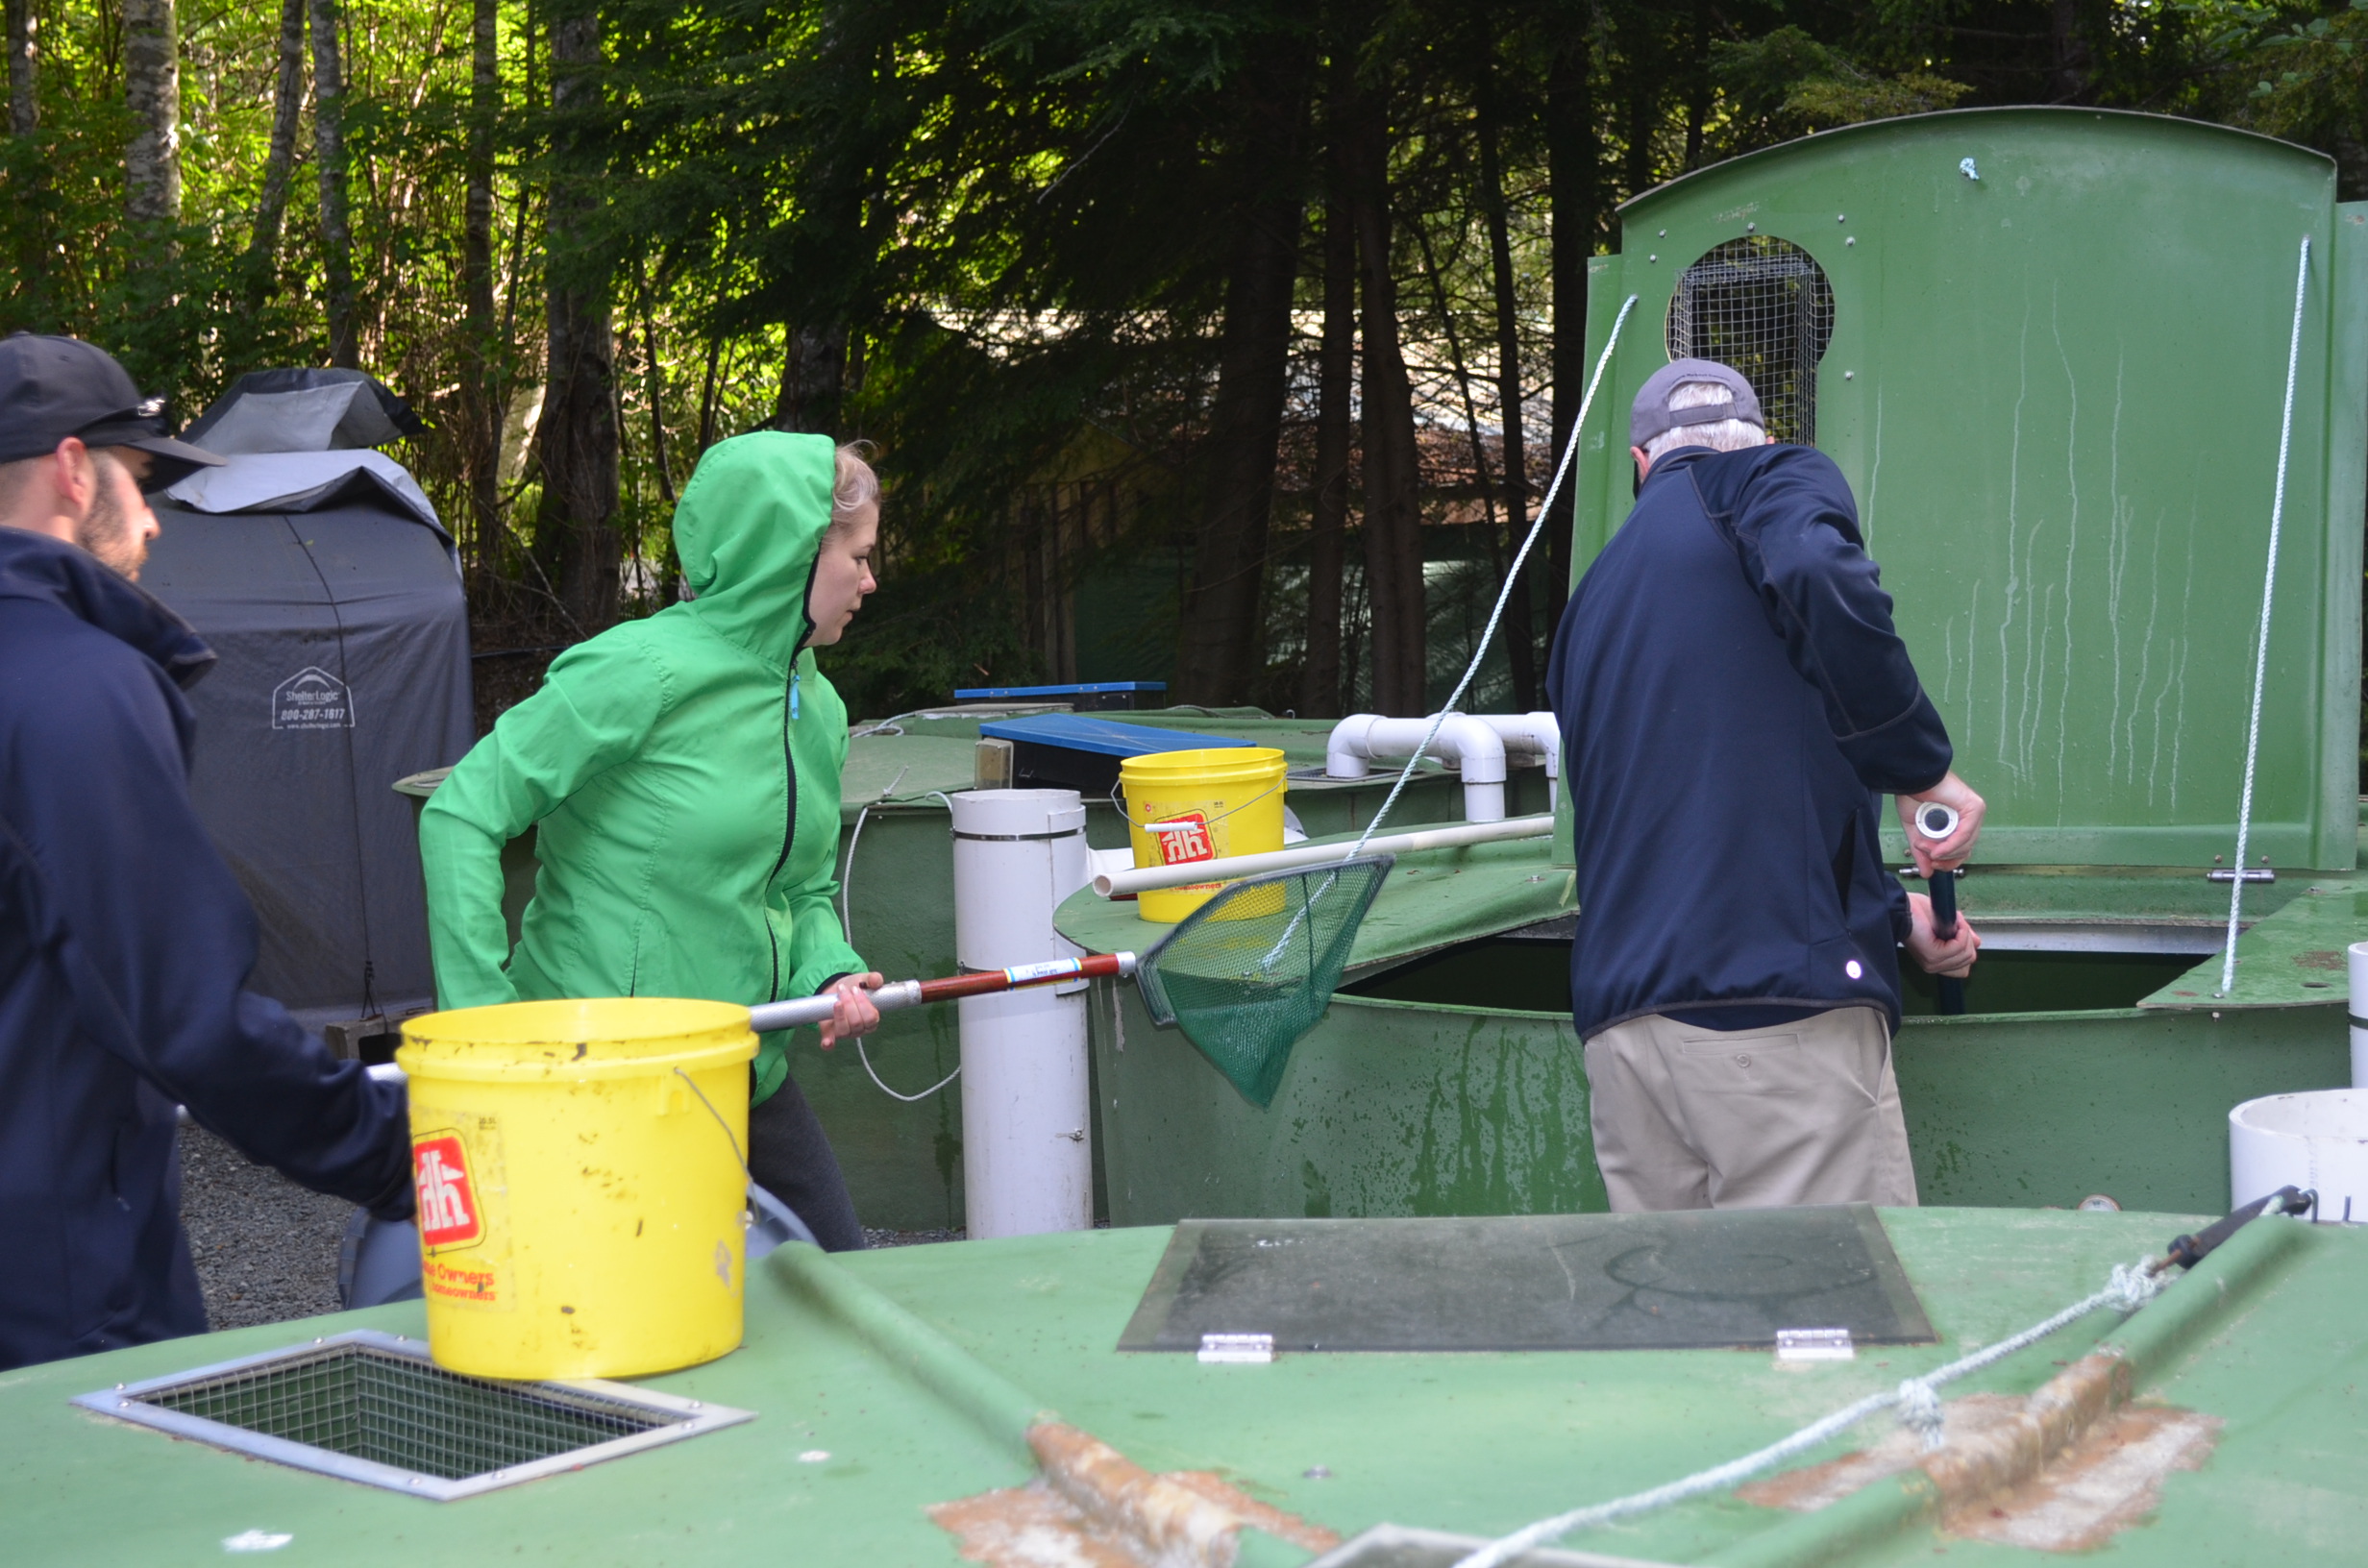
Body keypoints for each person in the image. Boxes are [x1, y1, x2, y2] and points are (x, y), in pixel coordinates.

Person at [0, 333, 416, 1370]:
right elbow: (189, 1016)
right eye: (139, 482)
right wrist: (407, 1155)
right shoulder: (73, 688)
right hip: (53, 1297)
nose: (150, 522)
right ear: (71, 469)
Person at [420, 431, 882, 1251]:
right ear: (795, 553)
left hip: (745, 1063)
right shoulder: (637, 670)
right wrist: (484, 1024)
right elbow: (462, 812)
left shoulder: (817, 706)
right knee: (630, 1314)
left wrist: (831, 970)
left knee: (842, 1283)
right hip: (603, 1074)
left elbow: (800, 886)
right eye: (859, 555)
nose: (870, 580)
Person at [1547, 358, 1985, 1213]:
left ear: (1641, 463)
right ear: (1762, 440)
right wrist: (1917, 768)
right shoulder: (1765, 479)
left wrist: (1893, 919)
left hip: (1626, 1046)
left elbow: (1701, 800)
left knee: (1681, 1301)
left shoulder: (1589, 605)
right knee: (1833, 1296)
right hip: (1777, 1034)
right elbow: (1813, 567)